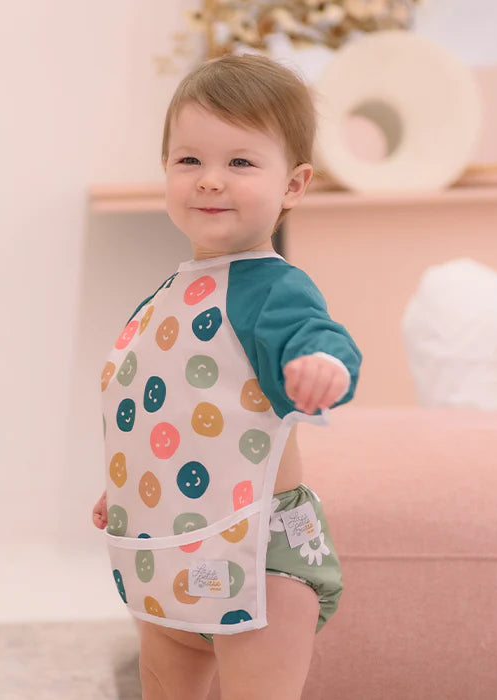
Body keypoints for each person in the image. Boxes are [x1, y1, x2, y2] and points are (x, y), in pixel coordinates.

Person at [92, 53, 362, 700]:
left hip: (258, 557)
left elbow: (318, 335)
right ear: (166, 168)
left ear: (293, 185)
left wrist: (322, 365)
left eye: (240, 162)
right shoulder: (165, 298)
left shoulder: (271, 289)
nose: (210, 180)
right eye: (190, 160)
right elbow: (161, 410)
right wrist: (129, 489)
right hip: (167, 550)